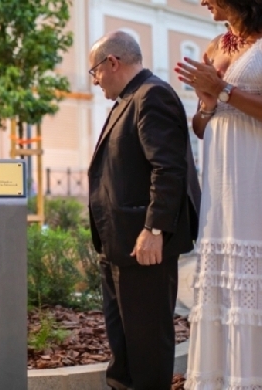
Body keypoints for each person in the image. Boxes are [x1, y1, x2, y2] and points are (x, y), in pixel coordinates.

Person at [87, 31, 201, 390]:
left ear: (112, 62)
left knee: (148, 347)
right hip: (118, 245)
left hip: (143, 247)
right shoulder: (128, 98)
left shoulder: (152, 96)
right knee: (123, 348)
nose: (94, 80)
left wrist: (154, 229)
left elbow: (167, 169)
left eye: (95, 71)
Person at [175, 1, 262, 388]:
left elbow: (227, 95)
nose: (202, 1)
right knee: (224, 289)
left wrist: (223, 89)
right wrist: (208, 104)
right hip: (222, 177)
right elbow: (200, 125)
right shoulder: (215, 46)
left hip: (254, 172)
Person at [191, 0, 237, 139]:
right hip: (219, 154)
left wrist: (219, 89)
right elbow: (199, 131)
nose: (203, 2)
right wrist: (208, 107)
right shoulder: (215, 45)